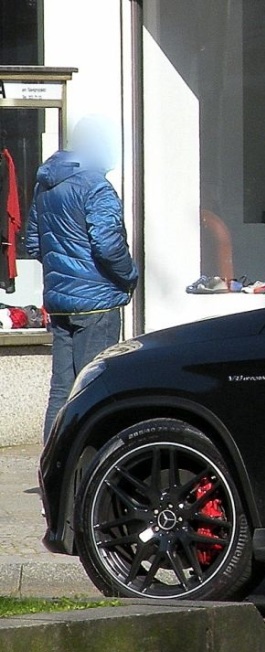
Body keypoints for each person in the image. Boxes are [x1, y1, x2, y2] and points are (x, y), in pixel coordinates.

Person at [22, 116, 138, 440]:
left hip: (60, 303)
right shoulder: (97, 186)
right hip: (97, 303)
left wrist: (65, 271)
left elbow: (33, 243)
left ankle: (53, 471)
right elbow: (108, 243)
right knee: (95, 389)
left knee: (61, 392)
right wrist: (129, 276)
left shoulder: (46, 185)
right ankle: (88, 472)